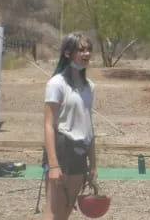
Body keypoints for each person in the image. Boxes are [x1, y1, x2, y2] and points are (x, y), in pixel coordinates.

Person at [43, 32, 97, 219]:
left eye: (89, 49)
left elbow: (88, 125)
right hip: (62, 148)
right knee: (53, 209)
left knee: (67, 207)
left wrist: (93, 164)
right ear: (67, 53)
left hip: (80, 150)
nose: (86, 54)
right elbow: (49, 125)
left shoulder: (89, 86)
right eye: (81, 49)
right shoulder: (56, 84)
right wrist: (53, 164)